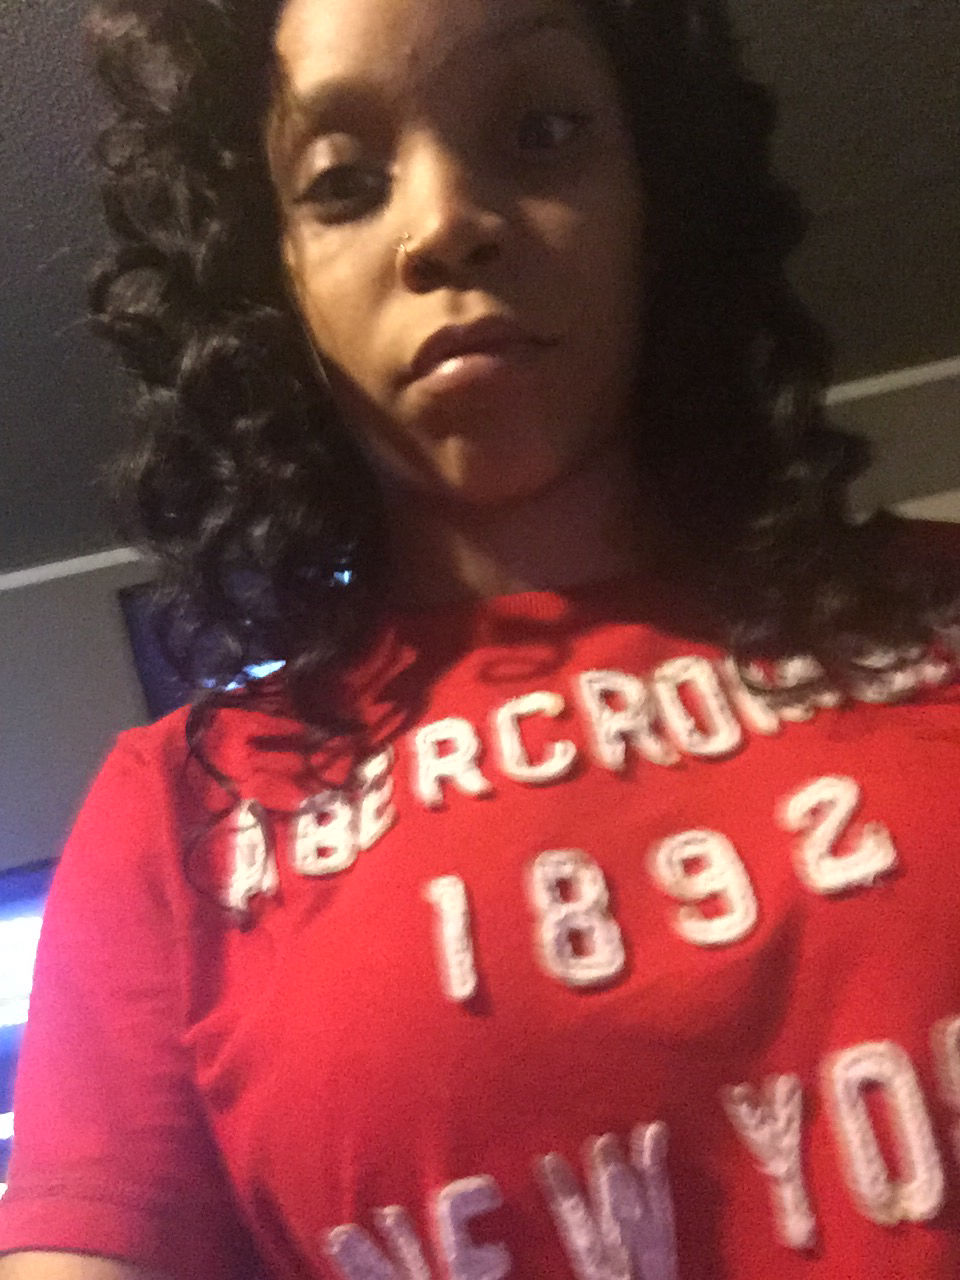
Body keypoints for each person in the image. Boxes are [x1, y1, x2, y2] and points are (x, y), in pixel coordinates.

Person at [1, 0, 958, 1276]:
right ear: (274, 282)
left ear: (656, 203)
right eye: (343, 183)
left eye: (542, 132)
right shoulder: (176, 819)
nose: (446, 222)